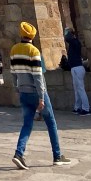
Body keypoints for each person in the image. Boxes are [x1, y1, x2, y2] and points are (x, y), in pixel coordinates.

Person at [10, 21, 71, 170]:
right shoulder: (34, 51)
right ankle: (57, 156)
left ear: (21, 34)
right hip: (36, 93)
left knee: (27, 124)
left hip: (23, 92)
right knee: (51, 122)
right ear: (32, 36)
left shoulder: (14, 50)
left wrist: (17, 89)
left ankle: (19, 153)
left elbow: (13, 73)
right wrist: (42, 97)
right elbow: (38, 77)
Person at [64, 29, 90, 115]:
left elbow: (68, 39)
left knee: (81, 89)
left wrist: (68, 32)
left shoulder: (75, 42)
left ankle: (86, 109)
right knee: (76, 89)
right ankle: (77, 107)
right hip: (74, 68)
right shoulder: (73, 43)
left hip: (78, 67)